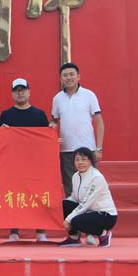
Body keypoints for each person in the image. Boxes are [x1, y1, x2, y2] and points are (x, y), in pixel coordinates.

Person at [0, 77, 50, 243]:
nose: (20, 93)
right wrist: (2, 131)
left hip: (35, 162)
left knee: (38, 195)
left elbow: (46, 138)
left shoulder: (39, 114)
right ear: (12, 94)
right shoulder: (6, 115)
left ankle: (40, 231)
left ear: (29, 92)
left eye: (23, 90)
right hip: (13, 163)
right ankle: (14, 230)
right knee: (14, 195)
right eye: (16, 91)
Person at [50, 63, 105, 197]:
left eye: (71, 74)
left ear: (78, 76)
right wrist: (52, 130)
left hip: (87, 148)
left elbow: (99, 122)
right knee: (70, 188)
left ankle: (90, 210)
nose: (69, 78)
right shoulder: (57, 99)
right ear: (60, 79)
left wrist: (99, 148)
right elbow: (53, 122)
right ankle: (73, 211)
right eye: (65, 75)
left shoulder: (89, 95)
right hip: (66, 150)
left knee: (90, 186)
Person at [57, 147, 117, 247]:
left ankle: (104, 234)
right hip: (88, 210)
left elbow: (86, 203)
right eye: (77, 160)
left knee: (76, 221)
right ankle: (74, 238)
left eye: (84, 159)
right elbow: (74, 198)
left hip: (104, 215)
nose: (80, 163)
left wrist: (68, 219)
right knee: (64, 205)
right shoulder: (76, 176)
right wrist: (58, 205)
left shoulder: (96, 177)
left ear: (90, 161)